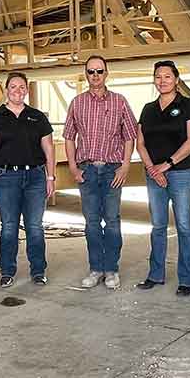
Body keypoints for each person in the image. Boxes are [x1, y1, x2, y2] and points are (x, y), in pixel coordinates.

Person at [64, 55, 138, 290]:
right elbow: (68, 137)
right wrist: (74, 167)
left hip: (111, 171)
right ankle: (96, 269)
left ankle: (112, 270)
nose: (95, 76)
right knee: (92, 223)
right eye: (91, 72)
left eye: (99, 71)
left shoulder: (119, 101)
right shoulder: (77, 103)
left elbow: (130, 136)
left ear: (106, 73)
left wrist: (125, 165)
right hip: (86, 170)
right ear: (86, 75)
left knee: (113, 221)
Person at [0, 72, 55, 288]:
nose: (18, 91)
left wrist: (50, 177)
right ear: (6, 90)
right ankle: (8, 271)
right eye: (13, 87)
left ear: (27, 90)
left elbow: (48, 148)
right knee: (9, 226)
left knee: (35, 226)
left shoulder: (38, 117)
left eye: (22, 87)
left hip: (35, 178)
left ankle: (38, 271)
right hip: (5, 178)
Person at [136, 60, 190, 296]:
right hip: (154, 174)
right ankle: (155, 274)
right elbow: (140, 143)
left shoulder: (187, 105)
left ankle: (186, 279)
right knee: (157, 226)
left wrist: (166, 165)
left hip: (181, 173)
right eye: (158, 77)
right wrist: (153, 169)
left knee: (184, 225)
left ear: (176, 80)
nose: (162, 81)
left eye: (166, 76)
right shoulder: (148, 108)